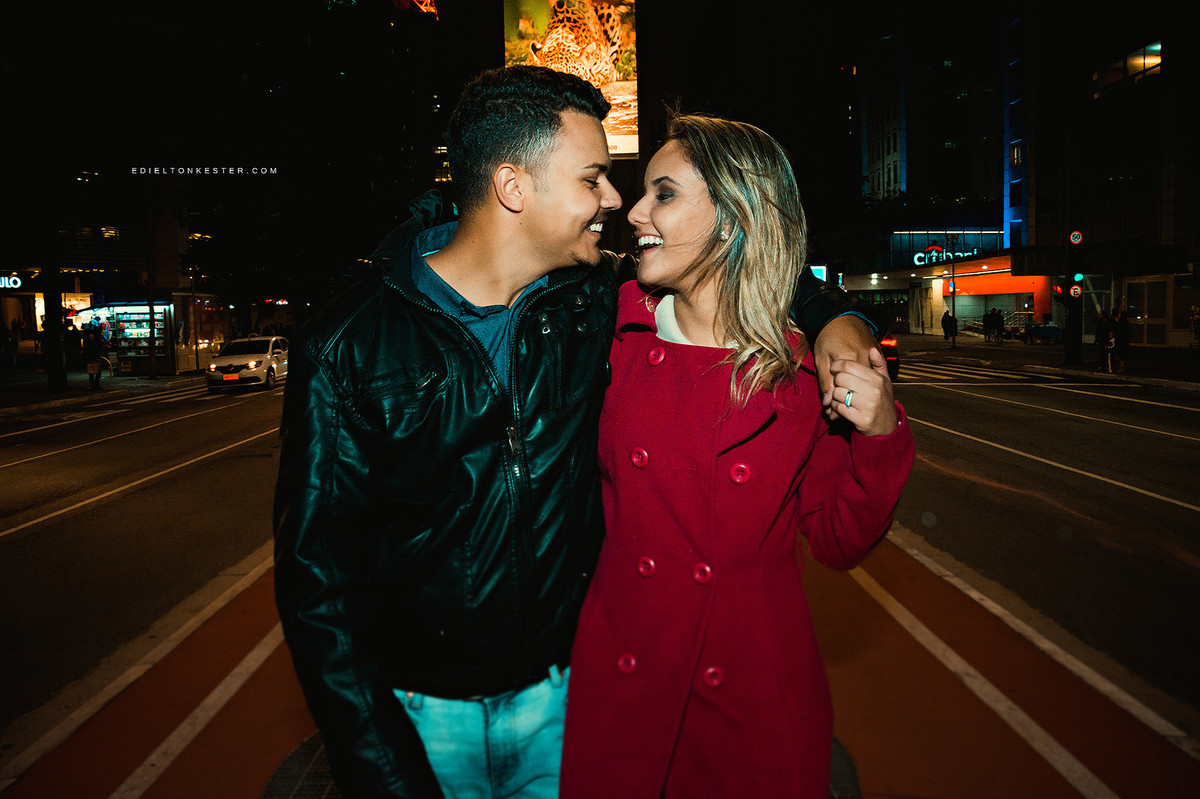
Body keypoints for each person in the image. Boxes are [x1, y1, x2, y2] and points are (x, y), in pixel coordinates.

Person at [273, 66, 882, 799]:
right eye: (593, 178)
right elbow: (317, 584)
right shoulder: (347, 344)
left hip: (571, 700)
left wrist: (839, 317)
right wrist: (381, 768)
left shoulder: (591, 302)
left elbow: (735, 257)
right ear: (514, 186)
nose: (616, 200)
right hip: (418, 715)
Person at [558, 115, 915, 799]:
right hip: (625, 675)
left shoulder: (802, 373)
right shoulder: (610, 330)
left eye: (663, 194)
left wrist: (877, 435)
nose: (634, 212)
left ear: (732, 218)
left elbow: (838, 541)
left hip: (753, 693)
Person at [1111, 306, 1130, 373]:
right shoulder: (1126, 322)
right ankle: (1123, 366)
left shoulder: (1121, 322)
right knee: (1123, 354)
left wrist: (1117, 322)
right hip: (1123, 340)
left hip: (1121, 340)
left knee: (1122, 354)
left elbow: (1118, 330)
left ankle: (1122, 367)